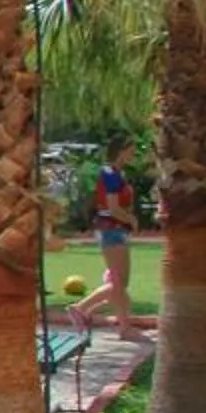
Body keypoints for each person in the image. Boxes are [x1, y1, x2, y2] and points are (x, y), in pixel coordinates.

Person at [70, 138, 144, 334]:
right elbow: (113, 208)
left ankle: (120, 325)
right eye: (130, 151)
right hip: (112, 229)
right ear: (120, 152)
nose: (132, 155)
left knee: (119, 282)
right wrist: (132, 220)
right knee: (119, 282)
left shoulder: (117, 174)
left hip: (115, 230)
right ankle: (82, 308)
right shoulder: (111, 175)